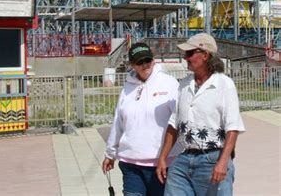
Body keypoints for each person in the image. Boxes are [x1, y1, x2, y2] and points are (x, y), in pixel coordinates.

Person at [156, 33, 245, 195]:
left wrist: (223, 162)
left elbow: (233, 127)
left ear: (205, 55)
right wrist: (163, 157)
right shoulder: (184, 85)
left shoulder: (224, 85)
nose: (185, 58)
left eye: (190, 53)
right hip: (184, 159)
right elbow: (174, 124)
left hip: (213, 159)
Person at [102, 42, 181, 196]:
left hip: (162, 164)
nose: (145, 65)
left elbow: (179, 119)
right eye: (139, 62)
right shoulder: (127, 88)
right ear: (132, 65)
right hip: (131, 164)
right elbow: (118, 122)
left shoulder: (169, 83)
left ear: (153, 60)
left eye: (148, 60)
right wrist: (110, 154)